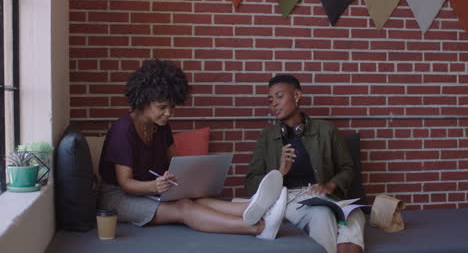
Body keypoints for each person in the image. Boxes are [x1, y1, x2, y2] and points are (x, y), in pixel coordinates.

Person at [98, 59, 287, 239]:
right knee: (184, 207)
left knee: (198, 198)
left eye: (172, 108)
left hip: (149, 189)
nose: (168, 114)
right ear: (143, 101)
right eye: (162, 107)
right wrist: (154, 186)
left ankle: (258, 207)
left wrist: (185, 181)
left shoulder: (161, 126)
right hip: (118, 196)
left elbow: (176, 164)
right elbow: (125, 184)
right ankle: (259, 228)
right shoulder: (123, 130)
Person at [245, 75, 365, 253]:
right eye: (270, 100)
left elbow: (347, 168)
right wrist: (279, 173)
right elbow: (250, 182)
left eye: (279, 97)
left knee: (354, 214)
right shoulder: (267, 137)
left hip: (325, 196)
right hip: (289, 199)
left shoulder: (326, 130)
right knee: (321, 215)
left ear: (297, 95)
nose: (274, 104)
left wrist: (331, 185)